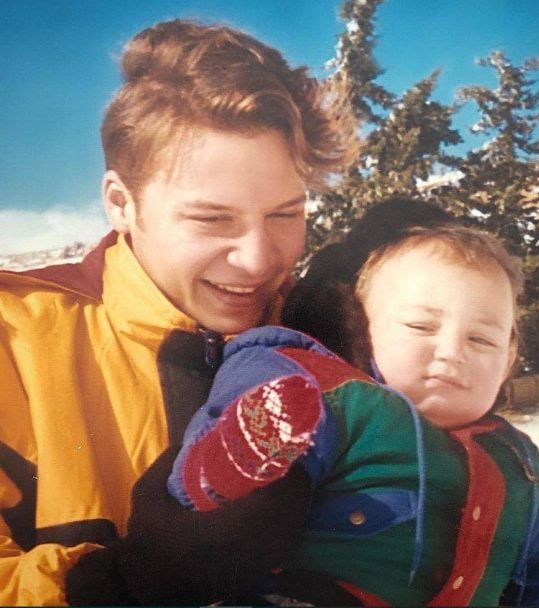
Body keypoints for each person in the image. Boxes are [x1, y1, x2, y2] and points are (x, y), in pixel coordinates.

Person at [0, 18, 357, 605]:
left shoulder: (327, 333)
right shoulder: (16, 343)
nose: (257, 259)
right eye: (212, 219)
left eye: (285, 215)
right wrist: (125, 584)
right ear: (121, 203)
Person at [167, 200, 539, 606]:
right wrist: (241, 449)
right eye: (421, 326)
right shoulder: (336, 400)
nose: (451, 352)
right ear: (363, 330)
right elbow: (264, 372)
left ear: (509, 360)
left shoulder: (518, 464)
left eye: (481, 339)